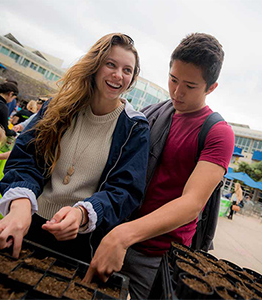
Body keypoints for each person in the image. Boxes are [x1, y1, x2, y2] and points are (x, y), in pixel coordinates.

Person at [84, 33, 235, 299]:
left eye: (190, 85)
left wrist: (124, 235)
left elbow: (192, 204)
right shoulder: (153, 112)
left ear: (211, 88)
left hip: (156, 256)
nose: (177, 92)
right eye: (173, 79)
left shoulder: (217, 132)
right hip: (113, 234)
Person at [0, 33, 150, 263]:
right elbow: (25, 158)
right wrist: (21, 204)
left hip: (78, 240)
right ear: (95, 65)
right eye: (111, 64)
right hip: (28, 221)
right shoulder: (59, 106)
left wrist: (82, 213)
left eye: (127, 70)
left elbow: (126, 190)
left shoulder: (135, 127)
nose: (118, 75)